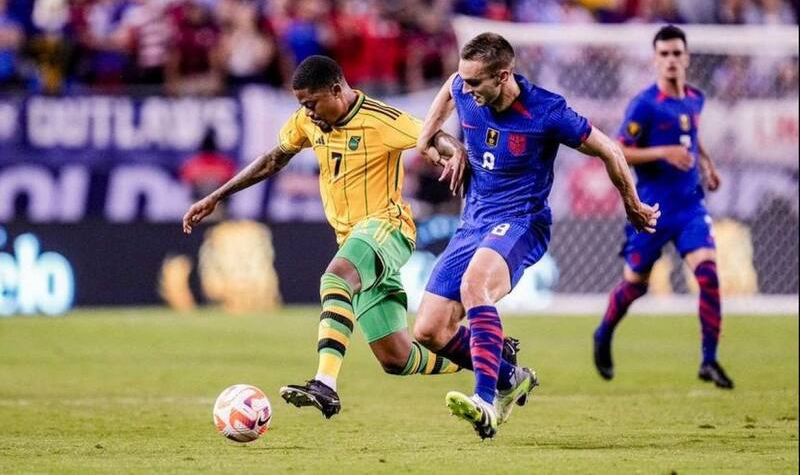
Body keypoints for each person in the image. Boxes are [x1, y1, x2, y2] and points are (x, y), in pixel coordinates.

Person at [183, 55, 517, 420]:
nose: (307, 112)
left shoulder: (380, 120)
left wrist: (457, 153)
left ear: (336, 90)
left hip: (386, 228)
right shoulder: (307, 122)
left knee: (335, 279)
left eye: (312, 103)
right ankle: (497, 360)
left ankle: (324, 383)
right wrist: (217, 196)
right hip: (353, 240)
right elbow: (272, 159)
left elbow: (432, 136)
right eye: (302, 105)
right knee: (397, 357)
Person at [413, 32, 660, 439]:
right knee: (429, 330)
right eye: (464, 80)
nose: (466, 90)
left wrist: (632, 204)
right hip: (472, 222)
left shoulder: (546, 111)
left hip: (520, 222)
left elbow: (610, 150)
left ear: (503, 76)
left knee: (475, 286)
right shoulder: (465, 88)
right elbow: (450, 88)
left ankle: (485, 401)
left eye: (475, 82)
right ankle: (510, 377)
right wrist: (439, 139)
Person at [592, 25, 733, 389]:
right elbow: (619, 151)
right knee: (634, 286)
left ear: (686, 58)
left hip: (689, 207)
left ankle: (709, 360)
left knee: (708, 276)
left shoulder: (696, 98)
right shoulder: (645, 104)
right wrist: (662, 152)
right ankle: (603, 333)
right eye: (664, 54)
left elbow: (692, 136)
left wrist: (707, 164)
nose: (671, 60)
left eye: (676, 53)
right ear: (655, 59)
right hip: (651, 210)